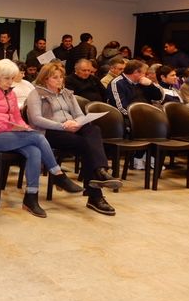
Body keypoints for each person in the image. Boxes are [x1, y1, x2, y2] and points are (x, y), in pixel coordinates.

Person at [0, 59, 82, 218]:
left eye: (12, 78)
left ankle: (31, 197)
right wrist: (7, 126)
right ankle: (58, 175)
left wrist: (25, 128)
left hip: (12, 135)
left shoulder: (10, 93)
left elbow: (17, 118)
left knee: (34, 151)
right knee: (38, 138)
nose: (10, 82)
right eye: (6, 78)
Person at [27, 63, 122, 215]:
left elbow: (79, 114)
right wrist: (62, 126)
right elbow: (36, 119)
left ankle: (99, 171)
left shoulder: (67, 93)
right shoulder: (36, 93)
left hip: (71, 128)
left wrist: (77, 123)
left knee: (93, 129)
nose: (60, 80)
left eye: (61, 77)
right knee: (87, 146)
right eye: (55, 77)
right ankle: (96, 193)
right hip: (50, 132)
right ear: (45, 79)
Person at [106, 59, 163, 170]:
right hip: (125, 118)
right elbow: (120, 107)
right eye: (144, 73)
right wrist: (137, 118)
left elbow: (159, 98)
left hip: (146, 115)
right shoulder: (117, 83)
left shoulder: (143, 83)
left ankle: (150, 156)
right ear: (136, 72)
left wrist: (150, 85)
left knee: (161, 123)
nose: (145, 76)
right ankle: (138, 157)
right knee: (147, 125)